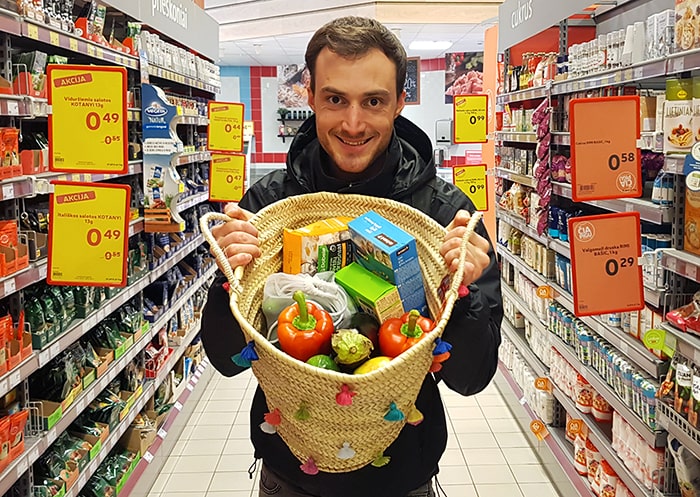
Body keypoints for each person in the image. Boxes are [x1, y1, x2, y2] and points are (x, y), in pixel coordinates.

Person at [201, 16, 502, 497]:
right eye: (335, 99)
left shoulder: (446, 217)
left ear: (401, 103)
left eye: (374, 101)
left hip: (403, 473)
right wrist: (228, 280)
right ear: (311, 97)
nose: (353, 123)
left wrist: (460, 295)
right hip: (291, 471)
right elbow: (225, 360)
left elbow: (472, 378)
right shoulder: (267, 207)